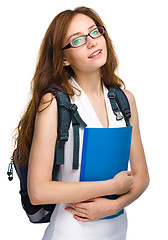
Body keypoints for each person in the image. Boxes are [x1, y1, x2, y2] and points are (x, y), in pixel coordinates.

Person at [13, 6, 149, 240]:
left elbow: (142, 176)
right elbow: (38, 191)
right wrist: (110, 188)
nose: (92, 42)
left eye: (95, 32)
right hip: (69, 232)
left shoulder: (124, 100)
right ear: (63, 58)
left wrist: (115, 205)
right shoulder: (54, 103)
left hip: (117, 231)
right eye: (77, 40)